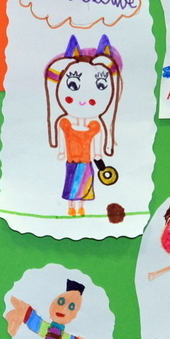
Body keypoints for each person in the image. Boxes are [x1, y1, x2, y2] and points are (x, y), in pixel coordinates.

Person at [44, 35, 122, 217]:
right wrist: (61, 152)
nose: (84, 100)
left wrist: (99, 158)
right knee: (71, 185)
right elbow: (63, 139)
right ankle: (72, 207)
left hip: (87, 161)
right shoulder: (65, 123)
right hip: (71, 160)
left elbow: (97, 144)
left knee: (85, 184)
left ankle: (81, 208)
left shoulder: (95, 125)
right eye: (73, 85)